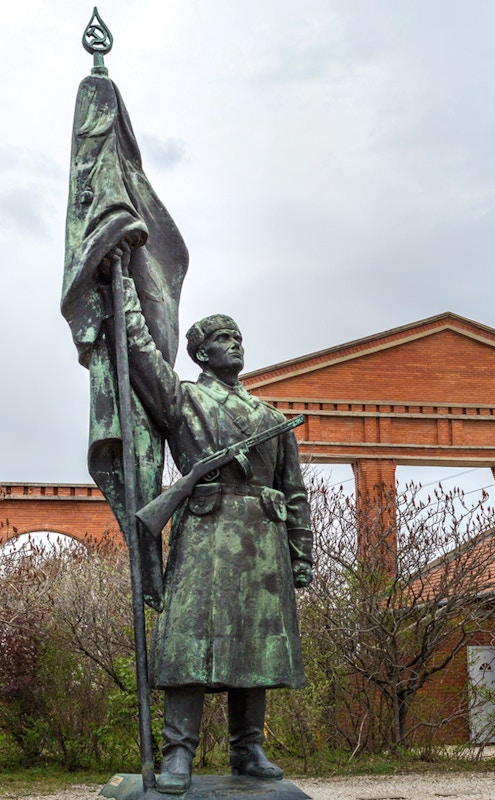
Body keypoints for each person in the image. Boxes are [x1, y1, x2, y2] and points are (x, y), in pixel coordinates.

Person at [116, 270, 312, 794]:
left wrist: (301, 555)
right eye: (224, 339)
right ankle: (178, 752)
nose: (236, 346)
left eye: (239, 338)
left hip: (263, 544)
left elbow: (293, 491)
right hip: (206, 533)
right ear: (201, 354)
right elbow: (138, 354)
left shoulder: (270, 415)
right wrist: (126, 291)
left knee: (255, 648)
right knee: (190, 643)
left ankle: (248, 748)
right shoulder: (184, 400)